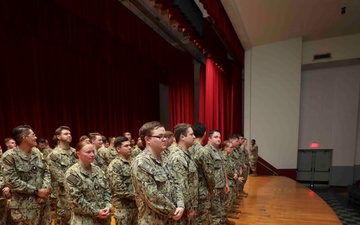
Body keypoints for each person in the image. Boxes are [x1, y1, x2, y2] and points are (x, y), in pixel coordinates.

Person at [131, 121, 184, 225]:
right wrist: (174, 210)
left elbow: (176, 182)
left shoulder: (165, 157)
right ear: (147, 139)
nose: (164, 139)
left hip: (172, 218)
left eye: (165, 136)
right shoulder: (141, 162)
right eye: (160, 136)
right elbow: (152, 196)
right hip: (153, 220)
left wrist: (181, 204)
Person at [2, 125, 51, 225]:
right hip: (24, 209)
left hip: (43, 205)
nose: (36, 137)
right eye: (33, 135)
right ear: (24, 137)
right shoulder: (9, 156)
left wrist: (44, 191)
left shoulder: (37, 152)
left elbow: (46, 171)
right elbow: (12, 181)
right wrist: (36, 191)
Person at [64, 140, 112, 225]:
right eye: (88, 152)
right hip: (85, 221)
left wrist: (108, 206)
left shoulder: (97, 170)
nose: (92, 154)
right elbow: (76, 201)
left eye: (93, 151)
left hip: (104, 219)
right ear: (78, 154)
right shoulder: (72, 174)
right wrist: (97, 212)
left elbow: (107, 190)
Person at [167, 123, 198, 225]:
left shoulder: (186, 153)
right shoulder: (177, 157)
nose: (194, 137)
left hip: (188, 205)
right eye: (191, 134)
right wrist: (189, 208)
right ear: (182, 137)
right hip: (183, 209)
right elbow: (181, 186)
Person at [47, 126, 76, 225]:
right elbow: (59, 177)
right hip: (62, 195)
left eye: (70, 133)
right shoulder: (54, 154)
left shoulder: (75, 152)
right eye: (66, 134)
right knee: (63, 219)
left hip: (76, 192)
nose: (69, 135)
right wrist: (77, 184)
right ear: (58, 137)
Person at [107, 136, 138, 225]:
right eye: (126, 146)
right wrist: (134, 196)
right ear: (118, 149)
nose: (129, 147)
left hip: (136, 206)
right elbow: (118, 187)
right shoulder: (115, 165)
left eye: (130, 145)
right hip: (123, 207)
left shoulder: (134, 162)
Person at [189, 122, 215, 225]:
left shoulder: (187, 149)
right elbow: (209, 174)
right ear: (205, 134)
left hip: (190, 190)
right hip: (202, 190)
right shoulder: (203, 152)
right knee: (203, 219)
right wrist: (212, 187)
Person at [204, 130, 231, 225]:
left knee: (219, 211)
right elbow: (207, 173)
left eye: (219, 137)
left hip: (221, 186)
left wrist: (226, 184)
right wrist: (211, 188)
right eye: (216, 137)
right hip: (213, 189)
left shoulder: (219, 151)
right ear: (209, 139)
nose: (219, 139)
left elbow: (223, 169)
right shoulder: (206, 151)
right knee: (215, 215)